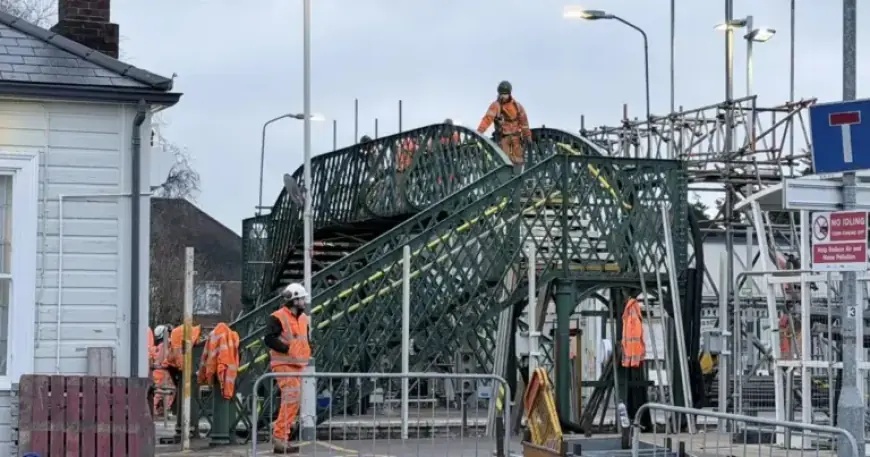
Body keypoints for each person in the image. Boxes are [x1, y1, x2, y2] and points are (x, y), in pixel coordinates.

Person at [264, 283, 312, 454]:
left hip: (298, 364)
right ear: (294, 300)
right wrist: (287, 349)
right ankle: (279, 437)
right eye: (302, 299)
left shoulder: (303, 319)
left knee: (294, 400)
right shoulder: (277, 317)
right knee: (292, 397)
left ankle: (281, 436)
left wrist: (308, 350)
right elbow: (269, 339)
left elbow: (304, 339)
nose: (304, 302)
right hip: (283, 364)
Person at [476, 80, 532, 171]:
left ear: (509, 94)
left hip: (516, 138)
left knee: (518, 160)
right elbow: (487, 119)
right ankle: (506, 177)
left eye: (505, 94)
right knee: (504, 161)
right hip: (502, 138)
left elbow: (524, 122)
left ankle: (517, 176)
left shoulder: (517, 106)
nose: (503, 96)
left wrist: (528, 135)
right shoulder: (496, 106)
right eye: (501, 94)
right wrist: (479, 132)